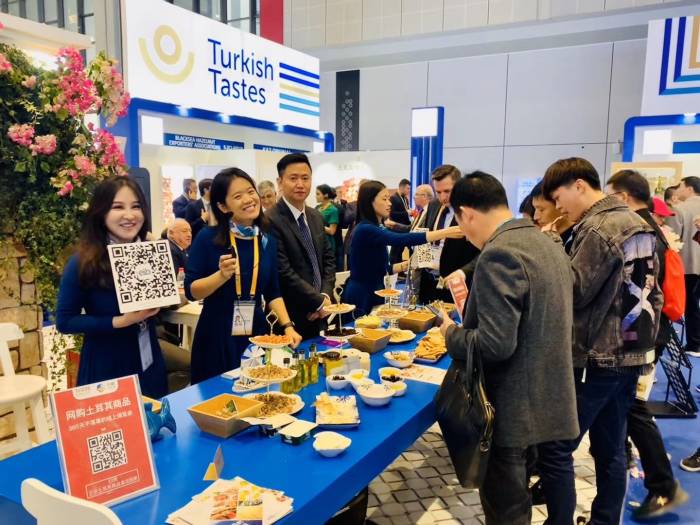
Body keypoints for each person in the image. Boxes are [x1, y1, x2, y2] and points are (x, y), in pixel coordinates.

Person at [438, 171, 578, 525]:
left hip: (512, 407)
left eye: (460, 221)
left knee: (507, 509)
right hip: (547, 396)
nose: (464, 232)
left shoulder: (498, 254)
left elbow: (495, 344)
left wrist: (451, 333)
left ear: (467, 213)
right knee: (517, 502)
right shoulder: (547, 242)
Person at [538, 157, 662, 525]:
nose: (559, 207)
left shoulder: (598, 228)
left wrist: (553, 249)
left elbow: (572, 290)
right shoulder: (638, 222)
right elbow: (651, 294)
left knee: (557, 449)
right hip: (630, 351)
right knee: (610, 449)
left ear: (579, 185)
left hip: (595, 356)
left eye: (559, 198)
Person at [605, 169, 689, 519]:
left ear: (623, 197)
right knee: (625, 406)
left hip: (637, 335)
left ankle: (663, 485)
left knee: (632, 407)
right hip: (641, 332)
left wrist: (626, 342)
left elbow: (636, 293)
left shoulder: (638, 230)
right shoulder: (648, 227)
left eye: (610, 196)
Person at [184, 168, 302, 383]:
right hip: (217, 333)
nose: (249, 199)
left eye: (250, 191)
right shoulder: (208, 238)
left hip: (256, 332)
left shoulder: (266, 240)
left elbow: (273, 290)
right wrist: (220, 276)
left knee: (258, 395)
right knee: (218, 402)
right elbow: (191, 291)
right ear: (222, 206)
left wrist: (288, 326)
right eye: (237, 196)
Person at [56, 176, 167, 399]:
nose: (129, 215)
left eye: (136, 206)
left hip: (149, 360)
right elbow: (65, 321)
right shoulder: (84, 261)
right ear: (101, 212)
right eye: (118, 207)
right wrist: (121, 321)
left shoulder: (148, 253)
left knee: (155, 426)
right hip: (106, 367)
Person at [343, 180, 462, 316]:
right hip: (362, 295)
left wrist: (406, 265)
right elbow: (400, 239)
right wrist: (445, 232)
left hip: (376, 290)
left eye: (389, 198)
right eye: (385, 199)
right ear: (370, 201)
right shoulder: (365, 229)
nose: (389, 203)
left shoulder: (374, 227)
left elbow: (380, 269)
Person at [267, 153, 336, 339]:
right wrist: (318, 302)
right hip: (289, 315)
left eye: (305, 178)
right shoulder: (270, 220)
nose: (300, 184)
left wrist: (326, 296)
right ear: (280, 182)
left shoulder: (315, 216)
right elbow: (283, 271)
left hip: (320, 312)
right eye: (293, 178)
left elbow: (328, 260)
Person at [420, 165, 480, 302]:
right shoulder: (433, 205)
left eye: (447, 191)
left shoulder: (472, 210)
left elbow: (484, 251)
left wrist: (464, 272)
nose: (443, 197)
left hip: (456, 286)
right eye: (438, 192)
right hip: (429, 282)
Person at [666, 176, 700, 358]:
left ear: (689, 188)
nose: (678, 189)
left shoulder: (680, 210)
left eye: (680, 186)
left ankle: (695, 343)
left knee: (690, 305)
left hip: (687, 264)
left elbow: (672, 239)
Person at [530, 181, 575, 252]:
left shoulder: (579, 239)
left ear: (560, 205)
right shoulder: (545, 237)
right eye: (535, 209)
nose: (535, 217)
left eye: (541, 210)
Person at [389, 178, 412, 265]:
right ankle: (394, 271)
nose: (409, 190)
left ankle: (400, 270)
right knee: (395, 251)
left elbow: (406, 211)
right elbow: (393, 214)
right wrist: (406, 213)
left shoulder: (405, 199)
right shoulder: (393, 198)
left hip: (405, 228)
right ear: (401, 188)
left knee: (400, 250)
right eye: (408, 188)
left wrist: (410, 213)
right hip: (396, 228)